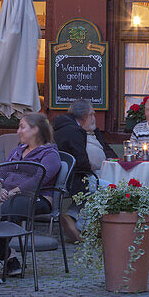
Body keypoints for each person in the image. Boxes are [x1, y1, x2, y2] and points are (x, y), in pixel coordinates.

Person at [0, 112, 61, 277]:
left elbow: (39, 179)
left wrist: (12, 192)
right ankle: (10, 256)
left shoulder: (50, 154)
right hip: (9, 196)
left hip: (37, 198)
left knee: (8, 210)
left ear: (36, 130)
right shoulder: (18, 150)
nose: (18, 131)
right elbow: (2, 171)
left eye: (22, 127)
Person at [53, 100, 117, 242]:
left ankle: (72, 216)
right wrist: (91, 166)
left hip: (79, 175)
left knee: (103, 185)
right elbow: (80, 161)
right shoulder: (74, 131)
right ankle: (83, 227)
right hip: (77, 178)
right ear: (83, 116)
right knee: (111, 188)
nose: (94, 118)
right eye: (91, 114)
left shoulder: (65, 127)